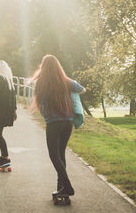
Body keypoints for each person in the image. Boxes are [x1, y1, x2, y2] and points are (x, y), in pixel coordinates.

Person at [32, 54, 86, 198]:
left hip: (53, 123)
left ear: (43, 67)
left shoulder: (41, 83)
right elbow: (82, 89)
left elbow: (39, 102)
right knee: (61, 154)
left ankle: (67, 186)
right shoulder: (66, 81)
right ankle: (61, 187)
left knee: (54, 155)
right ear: (58, 67)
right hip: (67, 122)